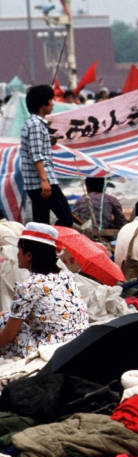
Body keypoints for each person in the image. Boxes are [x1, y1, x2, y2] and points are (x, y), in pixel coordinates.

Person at [0, 223, 88, 358]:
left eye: (19, 250)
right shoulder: (66, 276)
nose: (17, 254)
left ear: (28, 256)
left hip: (52, 348)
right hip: (78, 342)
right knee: (8, 316)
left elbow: (9, 334)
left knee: (4, 322)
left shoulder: (28, 286)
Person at [20, 85, 74, 226]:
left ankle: (41, 246)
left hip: (34, 183)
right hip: (43, 182)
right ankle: (56, 244)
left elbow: (36, 147)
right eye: (51, 100)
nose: (53, 103)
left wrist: (49, 141)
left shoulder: (32, 124)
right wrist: (44, 180)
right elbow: (36, 155)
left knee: (41, 223)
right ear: (43, 104)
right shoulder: (36, 125)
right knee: (66, 217)